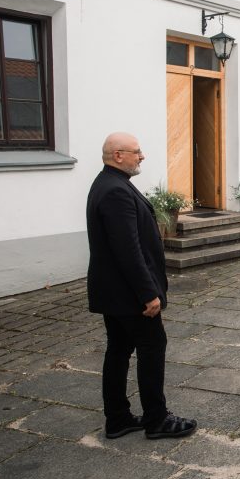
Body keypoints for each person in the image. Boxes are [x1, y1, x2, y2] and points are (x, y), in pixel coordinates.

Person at [86, 132, 197, 440]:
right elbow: (128, 249)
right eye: (137, 152)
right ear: (118, 155)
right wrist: (147, 293)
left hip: (115, 292)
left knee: (119, 350)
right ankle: (156, 419)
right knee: (151, 346)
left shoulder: (109, 183)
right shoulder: (115, 191)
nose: (142, 156)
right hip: (128, 294)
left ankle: (118, 418)